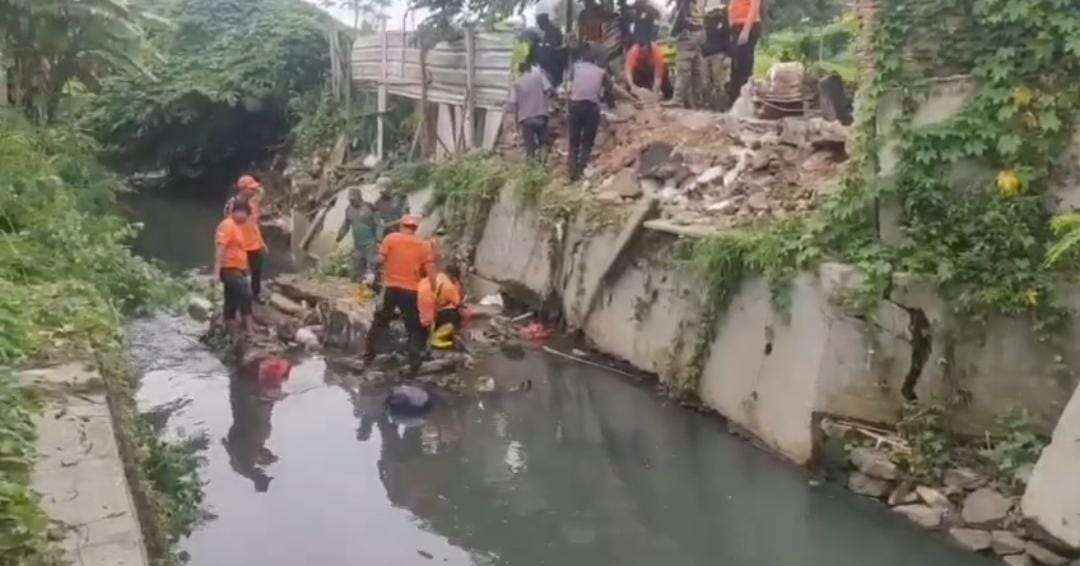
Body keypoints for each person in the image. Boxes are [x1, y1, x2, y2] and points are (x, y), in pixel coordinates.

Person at [363, 215, 437, 373]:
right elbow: (431, 270)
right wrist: (434, 290)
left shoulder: (391, 239)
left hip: (390, 288)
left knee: (379, 322)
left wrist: (370, 260)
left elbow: (380, 260)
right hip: (411, 291)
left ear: (401, 225)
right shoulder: (424, 244)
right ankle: (415, 365)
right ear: (415, 228)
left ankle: (368, 358)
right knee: (414, 327)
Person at [568, 47, 616, 180]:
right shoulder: (601, 71)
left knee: (573, 141)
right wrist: (610, 103)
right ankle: (582, 169)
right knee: (587, 141)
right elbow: (610, 88)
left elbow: (569, 87)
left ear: (582, 58)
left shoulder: (575, 67)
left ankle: (571, 172)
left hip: (575, 106)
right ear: (595, 60)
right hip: (591, 108)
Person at [213, 199, 255, 336]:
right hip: (229, 268)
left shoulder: (238, 226)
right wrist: (216, 272)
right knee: (246, 295)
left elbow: (239, 250)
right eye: (244, 214)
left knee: (231, 300)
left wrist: (245, 269)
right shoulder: (227, 226)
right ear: (237, 212)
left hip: (238, 268)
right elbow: (220, 249)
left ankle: (234, 335)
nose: (246, 218)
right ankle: (249, 330)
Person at [225, 175, 267, 303]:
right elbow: (228, 224)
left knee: (256, 271)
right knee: (239, 273)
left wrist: (262, 242)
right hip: (240, 244)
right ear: (243, 189)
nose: (254, 191)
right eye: (251, 188)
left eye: (254, 188)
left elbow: (254, 224)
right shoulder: (233, 204)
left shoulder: (254, 201)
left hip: (254, 243)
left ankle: (256, 294)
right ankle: (238, 298)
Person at [506, 62, 553, 161]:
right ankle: (543, 165)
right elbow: (549, 90)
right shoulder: (538, 75)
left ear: (520, 71)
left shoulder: (516, 83)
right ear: (529, 68)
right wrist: (545, 103)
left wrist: (516, 123)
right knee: (543, 142)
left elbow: (513, 104)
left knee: (529, 146)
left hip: (526, 119)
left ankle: (531, 168)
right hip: (541, 116)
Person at [336, 188, 383, 283]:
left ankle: (373, 288)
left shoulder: (369, 207)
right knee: (357, 271)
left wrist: (379, 238)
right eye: (350, 200)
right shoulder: (349, 209)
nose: (351, 201)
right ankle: (358, 286)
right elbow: (346, 224)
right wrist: (340, 236)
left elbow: (379, 224)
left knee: (371, 268)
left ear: (359, 197)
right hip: (358, 244)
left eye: (353, 199)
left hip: (370, 243)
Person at [417, 264, 463, 350]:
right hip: (427, 312)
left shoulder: (434, 276)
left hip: (415, 303)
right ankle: (439, 340)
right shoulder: (450, 286)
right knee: (453, 315)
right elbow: (458, 303)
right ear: (454, 277)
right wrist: (458, 286)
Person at [727, 0, 762, 106]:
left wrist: (746, 30)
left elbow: (754, 8)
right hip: (736, 26)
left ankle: (745, 101)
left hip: (748, 26)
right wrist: (731, 25)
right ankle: (733, 100)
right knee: (735, 65)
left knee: (745, 65)